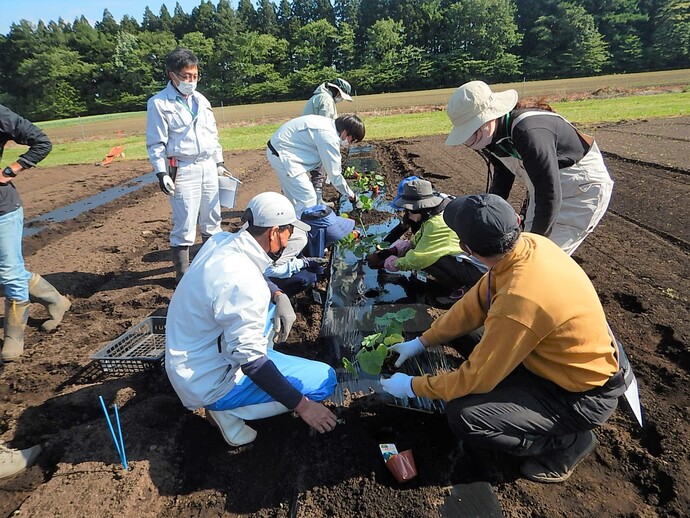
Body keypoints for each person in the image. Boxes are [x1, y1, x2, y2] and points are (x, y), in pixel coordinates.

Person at [381, 194, 627, 483]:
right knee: (466, 331)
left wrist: (413, 386)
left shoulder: (519, 301)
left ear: (467, 249)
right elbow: (474, 304)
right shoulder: (532, 245)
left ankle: (567, 444)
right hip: (559, 362)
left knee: (465, 416)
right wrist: (422, 342)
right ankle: (522, 400)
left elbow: (476, 379)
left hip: (579, 396)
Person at [165, 192, 337, 446]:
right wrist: (304, 407)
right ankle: (225, 411)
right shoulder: (244, 283)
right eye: (289, 232)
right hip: (209, 381)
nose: (290, 239)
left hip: (191, 356)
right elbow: (253, 363)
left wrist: (278, 294)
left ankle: (231, 400)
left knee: (266, 311)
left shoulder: (222, 242)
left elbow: (255, 274)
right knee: (324, 380)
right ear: (274, 233)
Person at [445, 81, 614, 256]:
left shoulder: (529, 131)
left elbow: (548, 191)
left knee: (543, 257)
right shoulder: (491, 136)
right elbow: (502, 175)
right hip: (544, 187)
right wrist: (486, 215)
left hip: (580, 190)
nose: (469, 141)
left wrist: (537, 244)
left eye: (472, 131)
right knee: (519, 251)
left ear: (489, 117)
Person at [146, 47, 234, 284]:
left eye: (194, 76)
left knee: (212, 219)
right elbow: (155, 143)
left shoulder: (201, 100)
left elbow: (212, 135)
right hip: (183, 168)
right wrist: (161, 172)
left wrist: (219, 162)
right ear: (171, 75)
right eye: (185, 76)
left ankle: (211, 267)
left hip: (207, 166)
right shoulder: (159, 104)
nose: (191, 81)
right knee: (184, 222)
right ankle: (183, 275)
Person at [0, 104, 71, 362]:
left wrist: (11, 170)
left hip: (2, 209)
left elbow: (41, 142)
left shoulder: (0, 115)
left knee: (9, 272)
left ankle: (14, 335)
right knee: (9, 271)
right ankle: (56, 300)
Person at [366, 179, 485, 304]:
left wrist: (386, 263)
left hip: (481, 272)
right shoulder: (436, 210)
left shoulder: (437, 224)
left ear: (417, 208)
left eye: (407, 210)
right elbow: (419, 239)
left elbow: (418, 258)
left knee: (429, 260)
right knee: (424, 253)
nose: (406, 214)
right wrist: (392, 251)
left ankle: (462, 289)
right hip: (470, 260)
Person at [266, 114, 363, 216]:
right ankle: (305, 230)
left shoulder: (328, 125)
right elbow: (335, 175)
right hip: (283, 154)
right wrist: (352, 196)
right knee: (308, 198)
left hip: (279, 150)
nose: (349, 143)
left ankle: (291, 226)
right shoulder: (329, 137)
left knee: (293, 199)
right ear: (345, 132)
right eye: (351, 140)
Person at [266, 204, 355, 297]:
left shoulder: (301, 223)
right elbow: (269, 270)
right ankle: (278, 297)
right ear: (320, 231)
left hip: (265, 264)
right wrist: (304, 263)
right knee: (307, 277)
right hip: (261, 276)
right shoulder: (300, 239)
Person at [303, 79, 354, 205]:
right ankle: (317, 202)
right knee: (318, 171)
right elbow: (325, 125)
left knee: (317, 171)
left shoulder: (321, 97)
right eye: (341, 96)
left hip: (310, 138)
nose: (340, 99)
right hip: (314, 139)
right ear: (338, 93)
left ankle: (317, 201)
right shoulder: (326, 100)